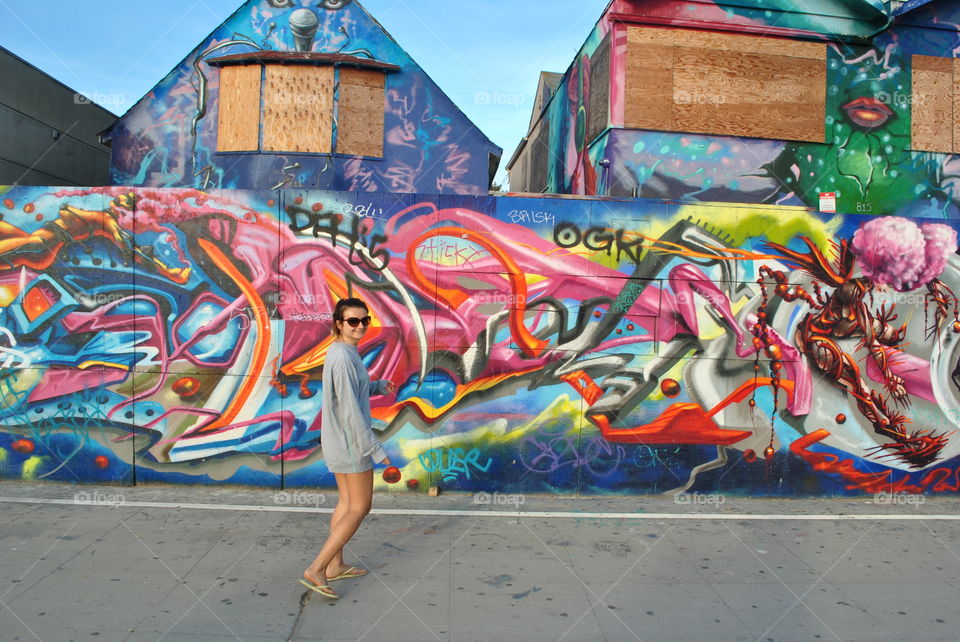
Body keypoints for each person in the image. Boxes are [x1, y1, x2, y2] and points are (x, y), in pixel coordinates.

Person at [300, 297, 396, 599]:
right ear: (338, 324)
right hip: (351, 443)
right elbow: (352, 411)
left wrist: (377, 386)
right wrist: (377, 452)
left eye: (364, 320)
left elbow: (351, 391)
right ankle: (317, 567)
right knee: (360, 506)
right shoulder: (342, 356)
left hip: (341, 440)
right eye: (353, 321)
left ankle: (334, 565)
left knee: (345, 502)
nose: (360, 326)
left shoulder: (345, 353)